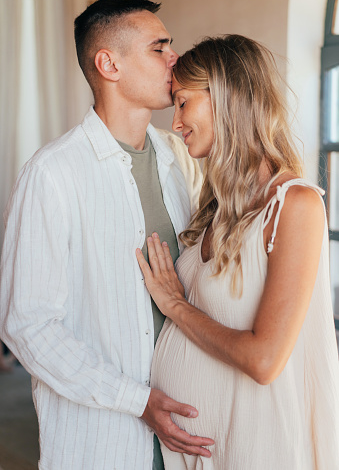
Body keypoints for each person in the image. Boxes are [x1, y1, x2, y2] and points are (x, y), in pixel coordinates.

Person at [0, 0, 215, 470]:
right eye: (159, 47)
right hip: (102, 444)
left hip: (187, 433)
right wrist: (138, 401)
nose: (174, 59)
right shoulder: (52, 174)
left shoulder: (178, 157)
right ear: (109, 63)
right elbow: (29, 325)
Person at [136, 34, 339, 469]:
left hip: (258, 451)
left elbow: (264, 360)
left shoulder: (295, 205)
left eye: (184, 103)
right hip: (206, 451)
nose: (176, 122)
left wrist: (175, 305)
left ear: (227, 98)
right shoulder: (214, 209)